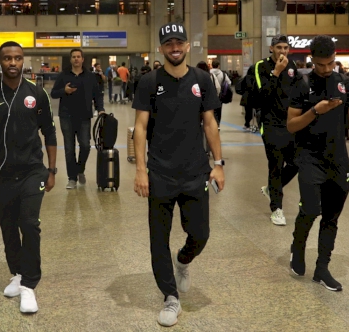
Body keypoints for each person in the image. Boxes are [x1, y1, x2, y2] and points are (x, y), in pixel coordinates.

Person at [132, 23, 224, 327]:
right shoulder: (148, 82)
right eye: (168, 43)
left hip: (195, 170)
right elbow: (141, 128)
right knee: (158, 238)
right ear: (161, 48)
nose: (174, 47)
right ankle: (170, 297)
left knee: (201, 233)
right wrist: (141, 171)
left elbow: (209, 123)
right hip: (159, 172)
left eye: (179, 43)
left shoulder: (202, 79)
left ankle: (183, 260)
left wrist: (219, 163)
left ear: (187, 46)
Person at [0, 41, 57, 314]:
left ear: (23, 62)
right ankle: (18, 274)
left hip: (33, 171)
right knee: (8, 226)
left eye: (17, 58)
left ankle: (30, 285)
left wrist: (52, 170)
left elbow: (50, 134)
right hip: (1, 174)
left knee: (29, 224)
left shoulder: (37, 94)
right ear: (0, 62)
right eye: (7, 58)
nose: (12, 63)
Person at [286, 35, 349, 292]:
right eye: (321, 64)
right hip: (309, 158)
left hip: (338, 160)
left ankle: (322, 268)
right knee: (311, 209)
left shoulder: (345, 84)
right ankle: (297, 247)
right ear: (311, 59)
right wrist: (315, 111)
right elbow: (291, 125)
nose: (326, 69)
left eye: (330, 63)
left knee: (332, 217)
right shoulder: (301, 84)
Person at [249, 34, 302, 226]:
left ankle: (272, 189)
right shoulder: (260, 67)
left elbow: (299, 91)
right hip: (271, 123)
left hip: (290, 122)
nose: (283, 51)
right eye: (279, 47)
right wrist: (276, 72)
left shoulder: (292, 67)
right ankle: (277, 209)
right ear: (271, 48)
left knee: (297, 162)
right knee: (276, 165)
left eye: (286, 48)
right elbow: (261, 96)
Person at [51, 48, 104, 189]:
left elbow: (97, 95)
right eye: (73, 57)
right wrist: (64, 91)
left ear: (82, 59)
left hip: (84, 116)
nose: (76, 59)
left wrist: (101, 109)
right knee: (69, 149)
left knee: (85, 145)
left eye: (78, 56)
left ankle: (80, 169)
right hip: (66, 116)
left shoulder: (90, 76)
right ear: (70, 59)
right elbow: (53, 93)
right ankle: (72, 178)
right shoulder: (63, 76)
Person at [210, 60, 231, 127]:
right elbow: (229, 83)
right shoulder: (223, 74)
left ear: (212, 65)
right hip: (220, 95)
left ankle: (211, 123)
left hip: (209, 95)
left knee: (210, 110)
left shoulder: (208, 73)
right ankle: (217, 124)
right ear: (218, 66)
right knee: (218, 110)